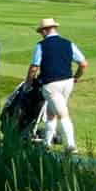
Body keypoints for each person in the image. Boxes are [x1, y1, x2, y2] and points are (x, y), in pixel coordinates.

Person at [27, 17, 88, 151]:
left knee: (62, 114)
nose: (41, 35)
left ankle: (71, 145)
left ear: (45, 30)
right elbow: (83, 64)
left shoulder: (41, 45)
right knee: (51, 113)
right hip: (68, 82)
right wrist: (76, 77)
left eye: (41, 32)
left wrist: (28, 83)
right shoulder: (68, 43)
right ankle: (46, 143)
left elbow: (34, 67)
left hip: (51, 84)